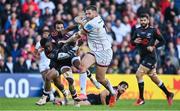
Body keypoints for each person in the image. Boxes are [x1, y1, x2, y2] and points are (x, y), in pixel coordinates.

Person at [59, 5, 117, 107]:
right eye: (86, 13)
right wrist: (80, 19)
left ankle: (112, 92)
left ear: (96, 13)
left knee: (100, 79)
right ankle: (83, 94)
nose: (87, 15)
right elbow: (77, 18)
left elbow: (77, 35)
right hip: (95, 50)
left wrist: (65, 41)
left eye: (89, 13)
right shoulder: (92, 18)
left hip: (104, 53)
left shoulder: (94, 23)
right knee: (82, 67)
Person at [131, 13, 174, 106]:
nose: (142, 22)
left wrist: (153, 46)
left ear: (148, 21)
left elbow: (163, 41)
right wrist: (134, 42)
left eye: (144, 20)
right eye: (141, 20)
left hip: (151, 57)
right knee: (154, 77)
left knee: (138, 75)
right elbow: (132, 41)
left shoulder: (153, 30)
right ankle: (169, 94)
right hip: (143, 56)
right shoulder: (137, 30)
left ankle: (141, 99)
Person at [54, 81, 128, 106]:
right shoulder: (114, 91)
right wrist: (104, 106)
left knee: (76, 99)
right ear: (118, 86)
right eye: (123, 87)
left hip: (93, 97)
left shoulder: (117, 93)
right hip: (94, 99)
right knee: (79, 102)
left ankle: (55, 99)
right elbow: (103, 94)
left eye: (125, 88)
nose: (124, 89)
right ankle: (62, 103)